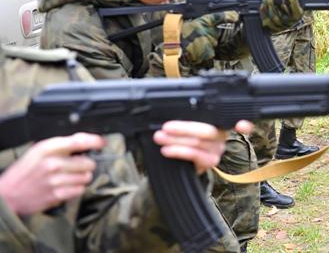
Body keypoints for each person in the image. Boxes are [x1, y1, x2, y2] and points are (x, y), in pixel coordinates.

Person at [32, 0, 302, 251]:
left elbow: (215, 43)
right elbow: (122, 114)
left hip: (163, 151)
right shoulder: (73, 27)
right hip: (105, 177)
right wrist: (181, 51)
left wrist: (262, 24)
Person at [0, 43, 246, 252]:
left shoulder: (49, 79)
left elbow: (110, 237)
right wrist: (8, 202)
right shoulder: (65, 46)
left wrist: (180, 173)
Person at [187, 0, 318, 208]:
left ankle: (258, 180)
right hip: (211, 35)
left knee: (260, 108)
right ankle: (234, 186)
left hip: (241, 28)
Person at [257, 0, 321, 161]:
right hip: (276, 22)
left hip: (301, 16)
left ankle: (289, 139)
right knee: (269, 82)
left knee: (304, 78)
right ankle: (261, 146)